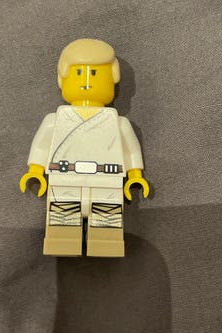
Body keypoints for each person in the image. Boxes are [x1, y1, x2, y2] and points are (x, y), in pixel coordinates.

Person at [20, 38, 150, 257]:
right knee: (62, 223)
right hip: (65, 180)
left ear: (112, 80)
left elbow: (131, 151)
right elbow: (41, 147)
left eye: (96, 74)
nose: (87, 81)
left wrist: (135, 175)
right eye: (78, 73)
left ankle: (105, 244)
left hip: (106, 182)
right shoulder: (55, 121)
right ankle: (62, 242)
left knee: (106, 225)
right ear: (62, 80)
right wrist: (35, 170)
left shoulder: (118, 123)